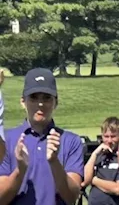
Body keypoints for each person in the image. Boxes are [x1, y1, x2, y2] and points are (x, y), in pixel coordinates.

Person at [0, 68, 83, 205]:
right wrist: (20, 171)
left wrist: (54, 161)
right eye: (33, 97)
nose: (40, 104)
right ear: (22, 101)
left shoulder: (71, 141)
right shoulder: (6, 141)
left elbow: (72, 197)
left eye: (46, 98)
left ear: (55, 102)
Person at [82, 118, 119, 205]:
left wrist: (94, 180)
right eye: (106, 136)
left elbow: (118, 189)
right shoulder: (99, 155)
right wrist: (94, 154)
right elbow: (85, 181)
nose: (109, 141)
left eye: (113, 136)